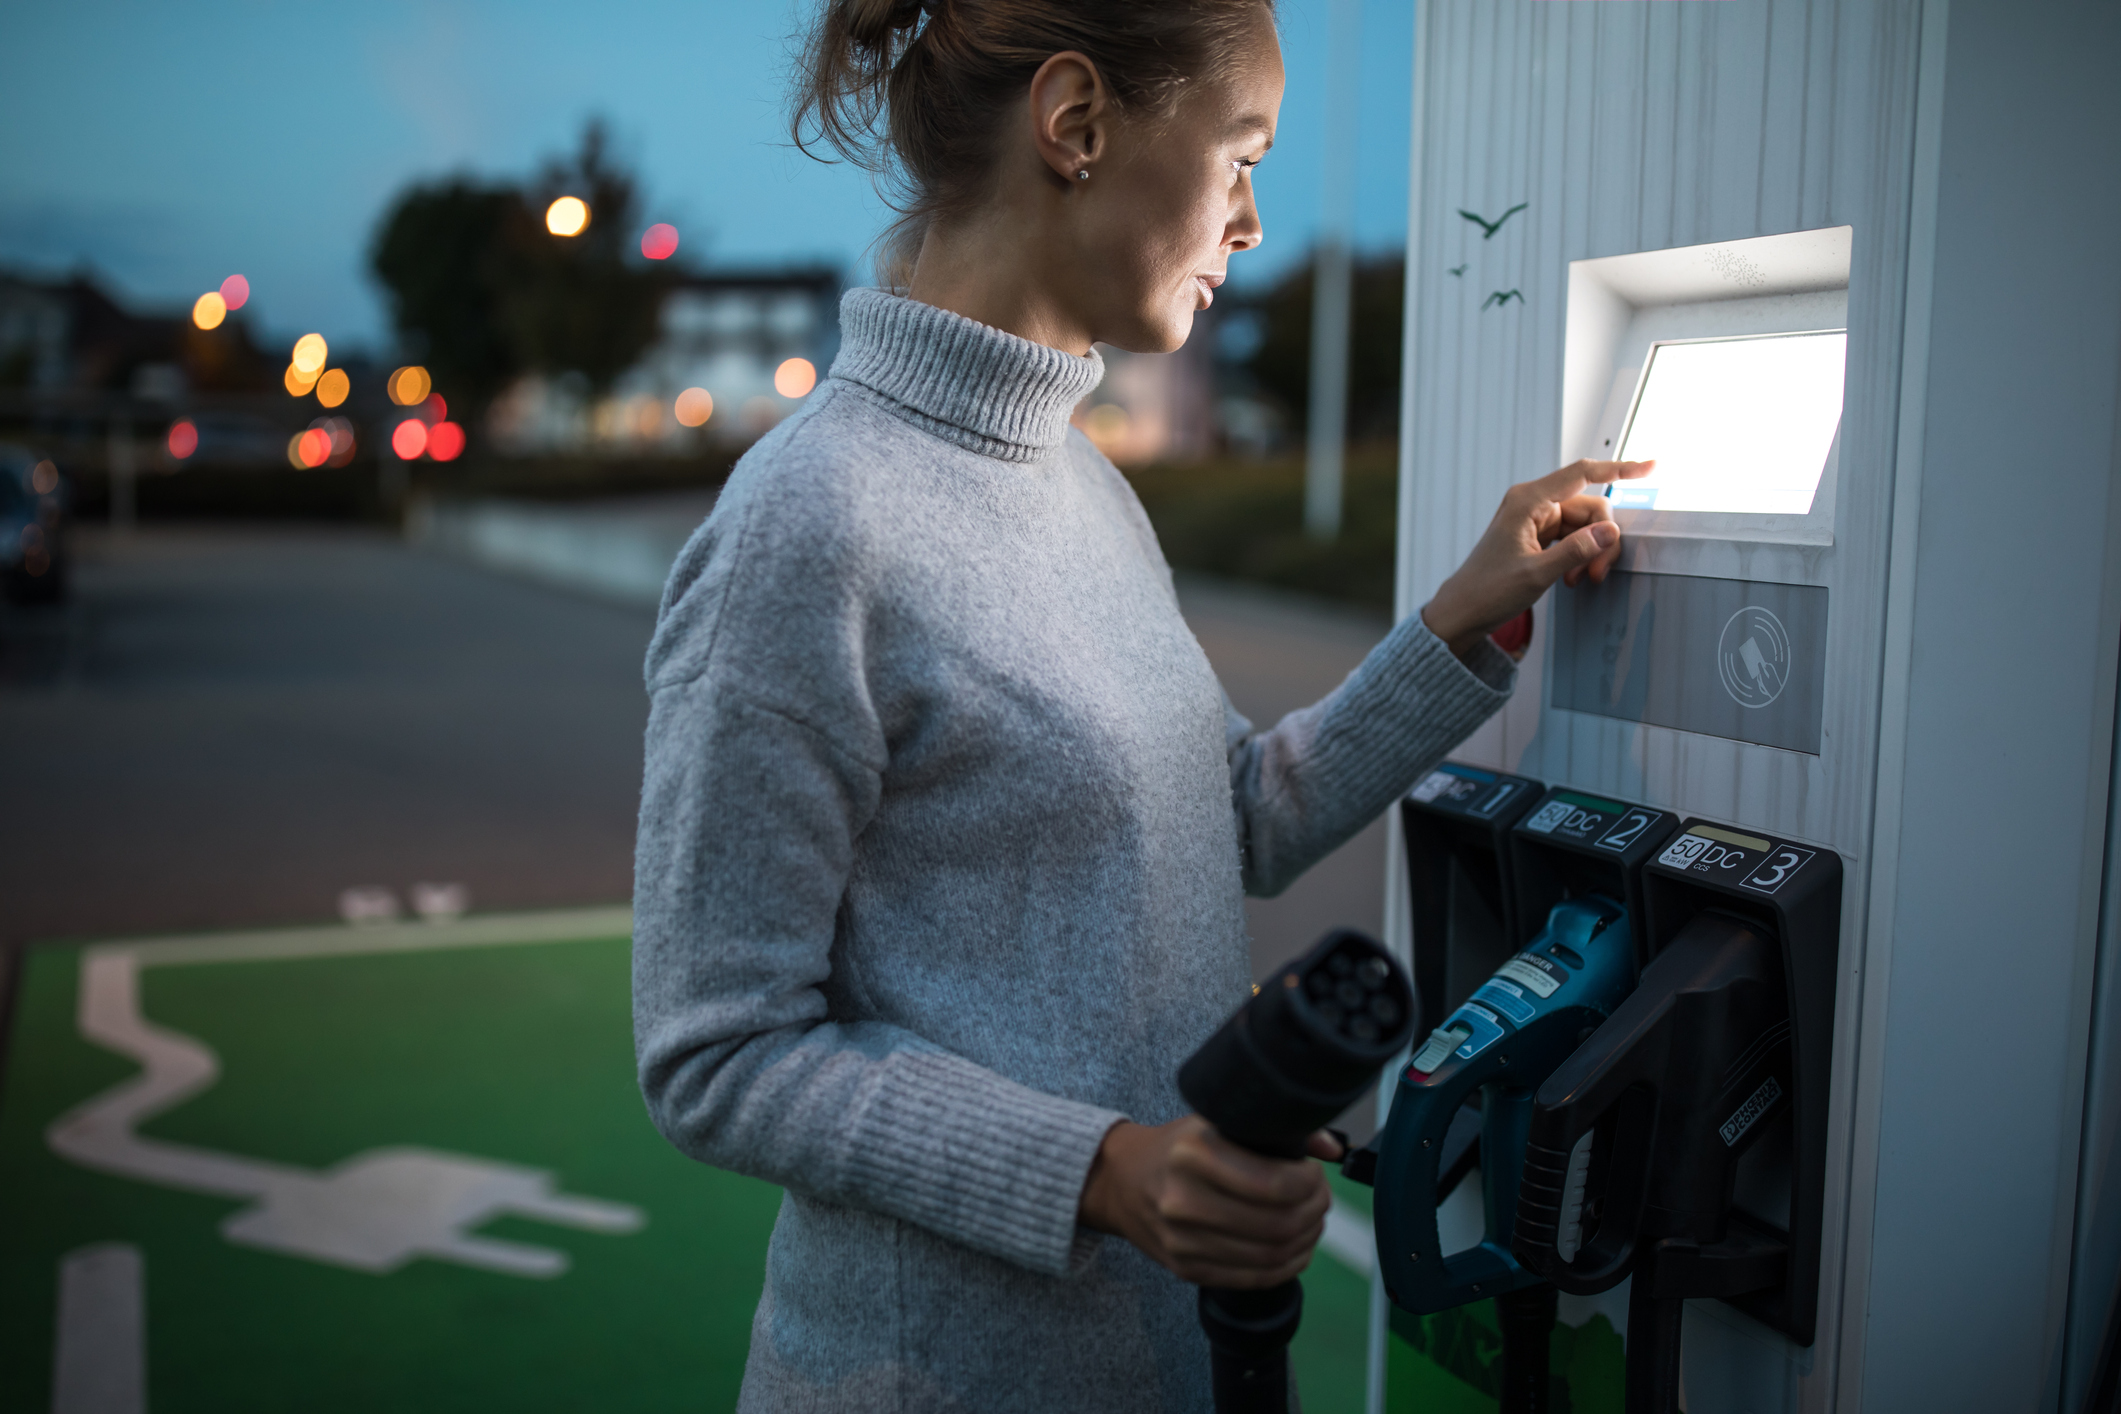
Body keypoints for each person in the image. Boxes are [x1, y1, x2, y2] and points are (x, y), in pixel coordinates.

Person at [631, 2, 1646, 1409]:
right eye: (1238, 156)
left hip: (1162, 1364)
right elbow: (718, 1051)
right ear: (1078, 124)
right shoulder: (807, 526)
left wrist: (1454, 624)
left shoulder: (1084, 484)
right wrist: (1105, 1171)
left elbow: (1227, 815)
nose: (1249, 223)